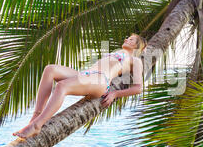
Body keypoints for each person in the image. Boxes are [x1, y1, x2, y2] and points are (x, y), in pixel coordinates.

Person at [13, 34, 148, 139]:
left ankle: (38, 125)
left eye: (131, 40)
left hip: (100, 79)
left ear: (137, 46)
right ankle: (35, 117)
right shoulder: (118, 52)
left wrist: (115, 94)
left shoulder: (135, 60)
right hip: (87, 74)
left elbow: (138, 87)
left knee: (62, 86)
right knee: (50, 69)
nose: (126, 39)